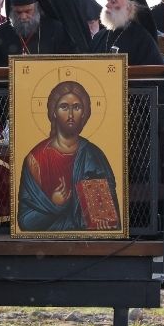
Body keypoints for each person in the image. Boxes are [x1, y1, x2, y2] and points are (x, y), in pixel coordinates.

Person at [18, 81, 120, 232]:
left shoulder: (94, 155)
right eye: (64, 107)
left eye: (76, 107)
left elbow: (109, 215)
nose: (71, 114)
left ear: (84, 113)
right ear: (54, 112)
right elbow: (26, 221)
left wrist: (103, 217)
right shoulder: (36, 159)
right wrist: (55, 204)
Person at [0, 0, 73, 67]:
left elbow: (69, 62)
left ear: (37, 7)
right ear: (11, 10)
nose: (23, 16)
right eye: (18, 12)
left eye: (28, 11)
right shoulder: (1, 33)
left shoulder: (55, 29)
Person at [91, 0, 163, 65]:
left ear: (129, 8)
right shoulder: (99, 37)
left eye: (113, 2)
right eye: (108, 0)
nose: (107, 5)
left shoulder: (142, 39)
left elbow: (153, 70)